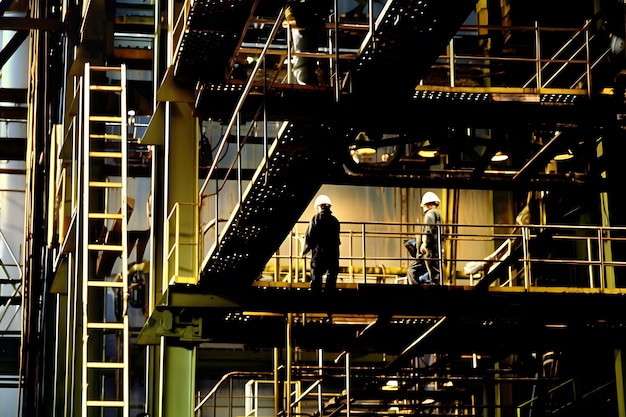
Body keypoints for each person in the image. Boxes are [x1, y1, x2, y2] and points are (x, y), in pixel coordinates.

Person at [303, 194, 341, 292]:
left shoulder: (315, 219)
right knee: (331, 275)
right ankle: (330, 297)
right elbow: (336, 239)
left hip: (319, 252)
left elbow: (309, 236)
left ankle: (316, 299)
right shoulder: (335, 221)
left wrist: (304, 251)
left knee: (316, 274)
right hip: (333, 253)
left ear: (319, 207)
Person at [418, 191, 443, 285]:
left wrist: (424, 245)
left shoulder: (429, 214)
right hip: (438, 247)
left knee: (432, 274)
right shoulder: (439, 214)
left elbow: (428, 231)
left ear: (427, 205)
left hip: (431, 249)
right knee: (437, 273)